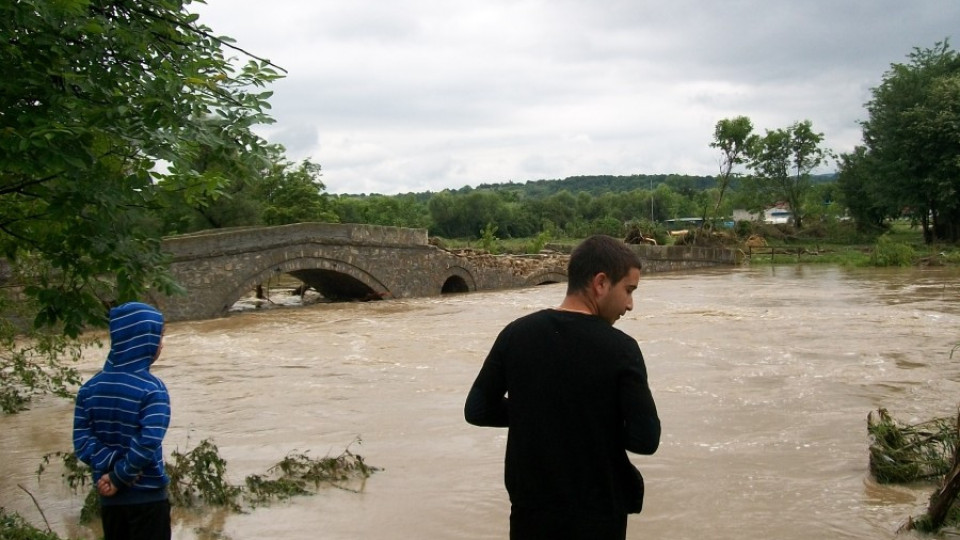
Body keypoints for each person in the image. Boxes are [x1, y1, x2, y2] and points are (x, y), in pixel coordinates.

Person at [464, 234, 661, 540]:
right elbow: (645, 439)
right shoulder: (621, 349)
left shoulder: (516, 334)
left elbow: (477, 410)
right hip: (599, 516)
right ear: (600, 283)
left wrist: (539, 409)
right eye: (629, 290)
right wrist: (591, 419)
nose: (630, 305)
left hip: (531, 514)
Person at [73, 301, 172, 540]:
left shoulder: (90, 389)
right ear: (142, 341)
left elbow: (82, 441)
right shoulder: (152, 389)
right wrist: (121, 475)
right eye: (158, 337)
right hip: (147, 499)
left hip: (110, 500)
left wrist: (111, 468)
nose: (160, 345)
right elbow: (147, 441)